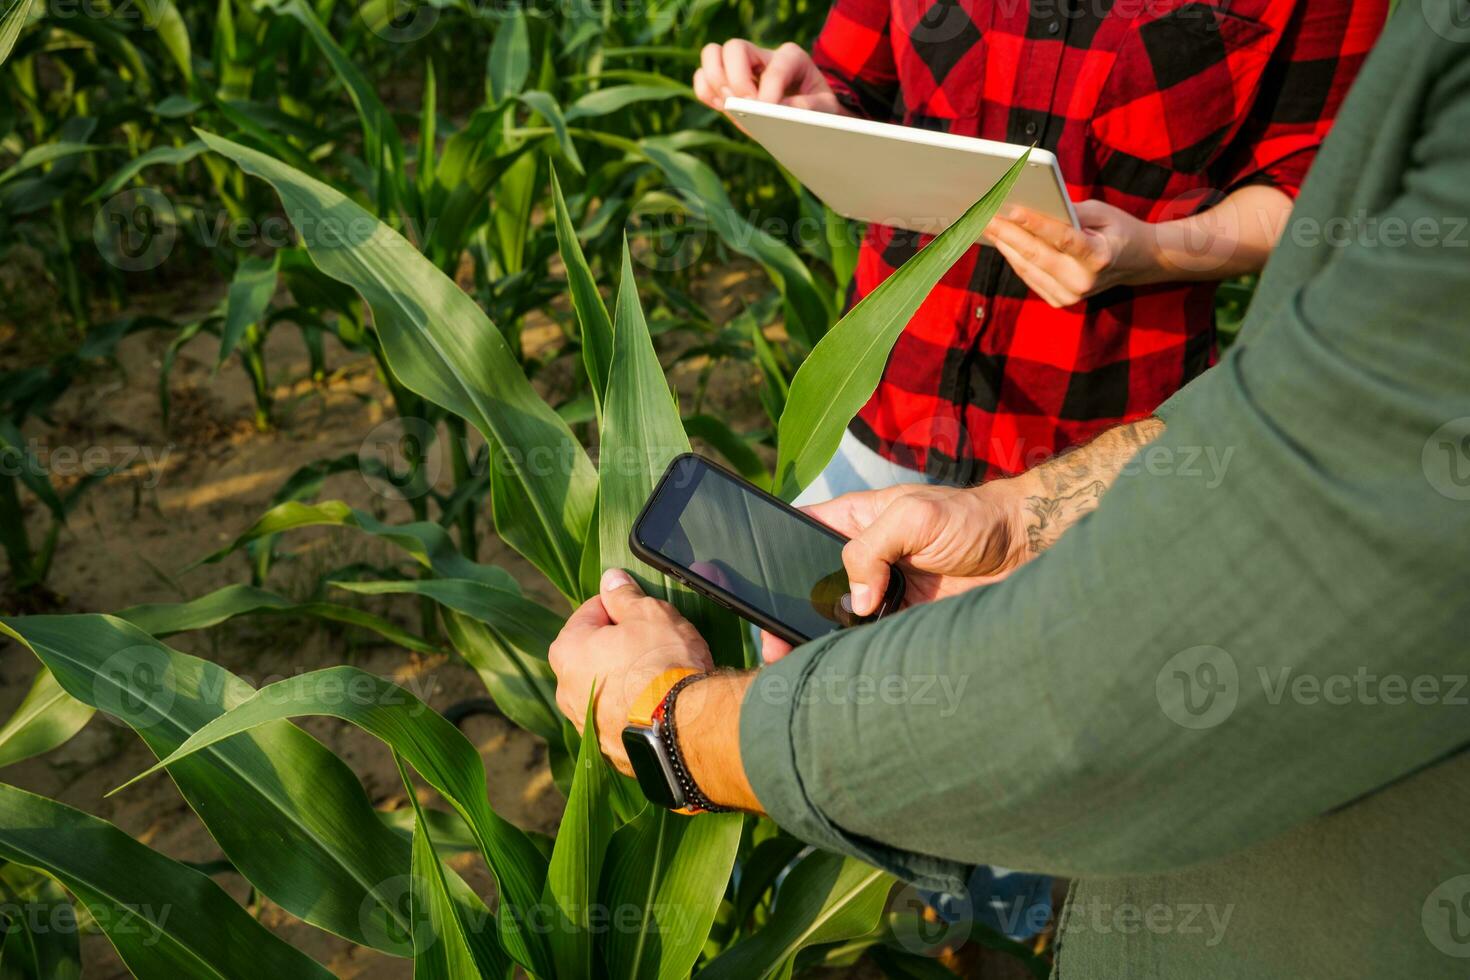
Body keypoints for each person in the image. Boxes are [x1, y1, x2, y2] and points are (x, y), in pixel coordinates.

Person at [552, 2, 1470, 975]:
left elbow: (1064, 711)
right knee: (813, 701)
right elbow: (851, 81)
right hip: (894, 397)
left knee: (1012, 848)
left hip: (1097, 406)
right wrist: (803, 105)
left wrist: (674, 726)